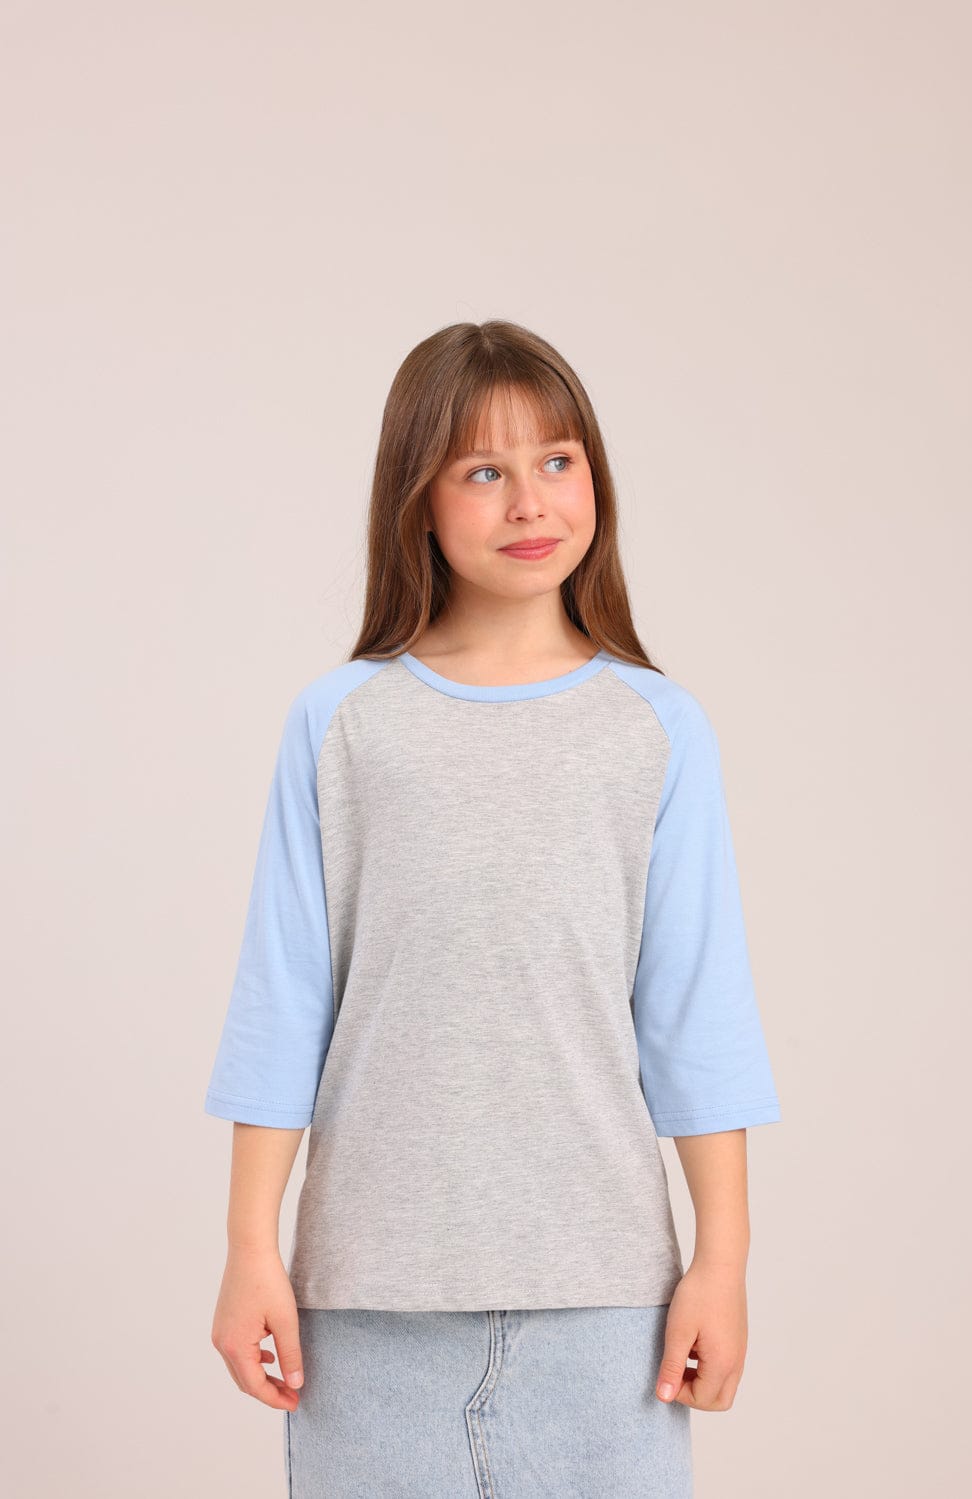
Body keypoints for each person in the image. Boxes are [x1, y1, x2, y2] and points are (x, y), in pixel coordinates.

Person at [204, 318, 782, 1498]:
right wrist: (249, 1247)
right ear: (416, 498)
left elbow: (694, 1008)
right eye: (482, 470)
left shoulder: (656, 728)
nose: (530, 501)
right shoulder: (342, 723)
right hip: (368, 1298)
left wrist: (720, 1260)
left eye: (557, 460)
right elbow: (284, 997)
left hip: (605, 1299)